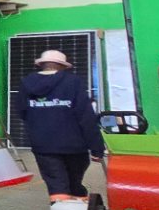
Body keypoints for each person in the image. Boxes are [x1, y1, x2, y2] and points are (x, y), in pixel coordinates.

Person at [13, 50, 104, 199]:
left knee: (57, 186)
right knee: (74, 185)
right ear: (63, 66)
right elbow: (86, 116)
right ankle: (79, 209)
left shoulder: (26, 83)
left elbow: (21, 111)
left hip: (43, 146)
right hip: (74, 146)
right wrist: (97, 149)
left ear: (41, 65)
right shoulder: (73, 82)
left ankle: (60, 209)